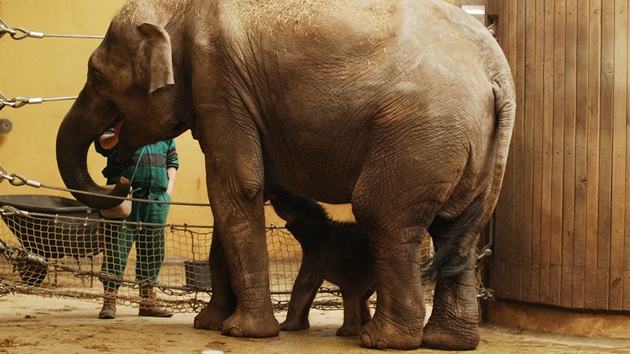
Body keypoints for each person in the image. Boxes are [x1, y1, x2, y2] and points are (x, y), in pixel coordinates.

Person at [95, 121, 178, 319]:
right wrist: (117, 135)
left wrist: (168, 193)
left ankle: (147, 302)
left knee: (153, 252)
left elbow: (172, 162)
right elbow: (103, 145)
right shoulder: (119, 122)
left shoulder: (164, 129)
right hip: (125, 199)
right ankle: (109, 301)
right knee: (116, 249)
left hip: (157, 200)